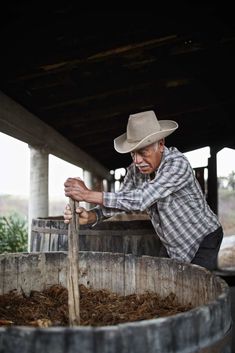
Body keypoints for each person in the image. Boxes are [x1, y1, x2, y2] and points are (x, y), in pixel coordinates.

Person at [64, 110, 223, 270]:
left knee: (195, 286)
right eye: (133, 153)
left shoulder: (177, 164)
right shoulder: (134, 171)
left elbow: (142, 198)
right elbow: (121, 200)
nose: (137, 160)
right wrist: (92, 215)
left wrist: (87, 194)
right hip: (176, 243)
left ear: (161, 144)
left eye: (143, 152)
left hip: (204, 237)